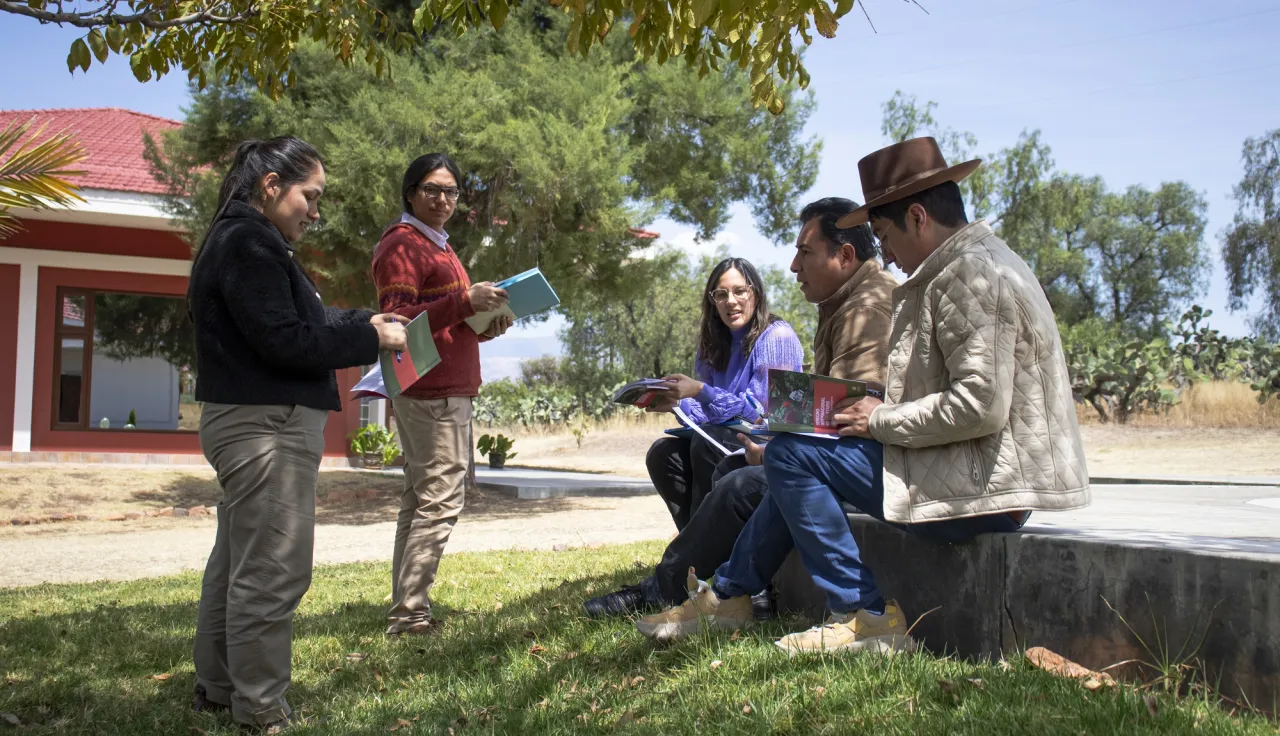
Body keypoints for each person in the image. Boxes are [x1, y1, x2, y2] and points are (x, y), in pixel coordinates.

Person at [635, 137, 1092, 651]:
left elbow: (979, 405)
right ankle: (730, 596)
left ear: (917, 217)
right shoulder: (965, 268)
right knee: (792, 456)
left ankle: (862, 614)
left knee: (790, 457)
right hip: (972, 474)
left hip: (986, 491)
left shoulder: (970, 276)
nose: (885, 254)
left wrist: (878, 419)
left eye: (884, 235)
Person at [583, 198, 895, 620]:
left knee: (739, 481)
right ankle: (723, 590)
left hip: (859, 462)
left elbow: (840, 416)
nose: (793, 266)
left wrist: (770, 443)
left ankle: (672, 590)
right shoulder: (843, 303)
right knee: (678, 455)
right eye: (721, 294)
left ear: (844, 255)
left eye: (804, 252)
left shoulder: (861, 310)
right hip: (813, 452)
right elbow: (826, 411)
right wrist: (680, 405)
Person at [187, 137, 409, 730]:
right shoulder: (251, 244)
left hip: (250, 421)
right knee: (273, 568)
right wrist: (371, 339)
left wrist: (365, 321)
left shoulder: (243, 239)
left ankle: (219, 687)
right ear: (270, 186)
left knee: (238, 560)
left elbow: (302, 320)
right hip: (268, 426)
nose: (315, 211)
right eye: (309, 196)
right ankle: (261, 708)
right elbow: (286, 341)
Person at [371, 153, 512, 637]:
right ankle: (410, 615)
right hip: (431, 392)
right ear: (411, 193)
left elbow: (448, 321)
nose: (443, 199)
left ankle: (406, 606)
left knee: (419, 500)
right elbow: (396, 323)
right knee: (441, 502)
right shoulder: (402, 244)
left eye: (451, 191)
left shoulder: (438, 245)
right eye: (432, 189)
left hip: (444, 387)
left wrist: (484, 324)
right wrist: (463, 301)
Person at [644, 257, 803, 531]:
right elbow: (707, 415)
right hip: (722, 438)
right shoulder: (712, 346)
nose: (731, 301)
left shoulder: (777, 337)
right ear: (713, 301)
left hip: (768, 445)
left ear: (756, 294)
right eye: (721, 294)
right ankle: (695, 540)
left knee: (706, 442)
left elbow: (760, 417)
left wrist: (701, 391)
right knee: (663, 452)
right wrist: (677, 404)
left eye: (740, 291)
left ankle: (696, 549)